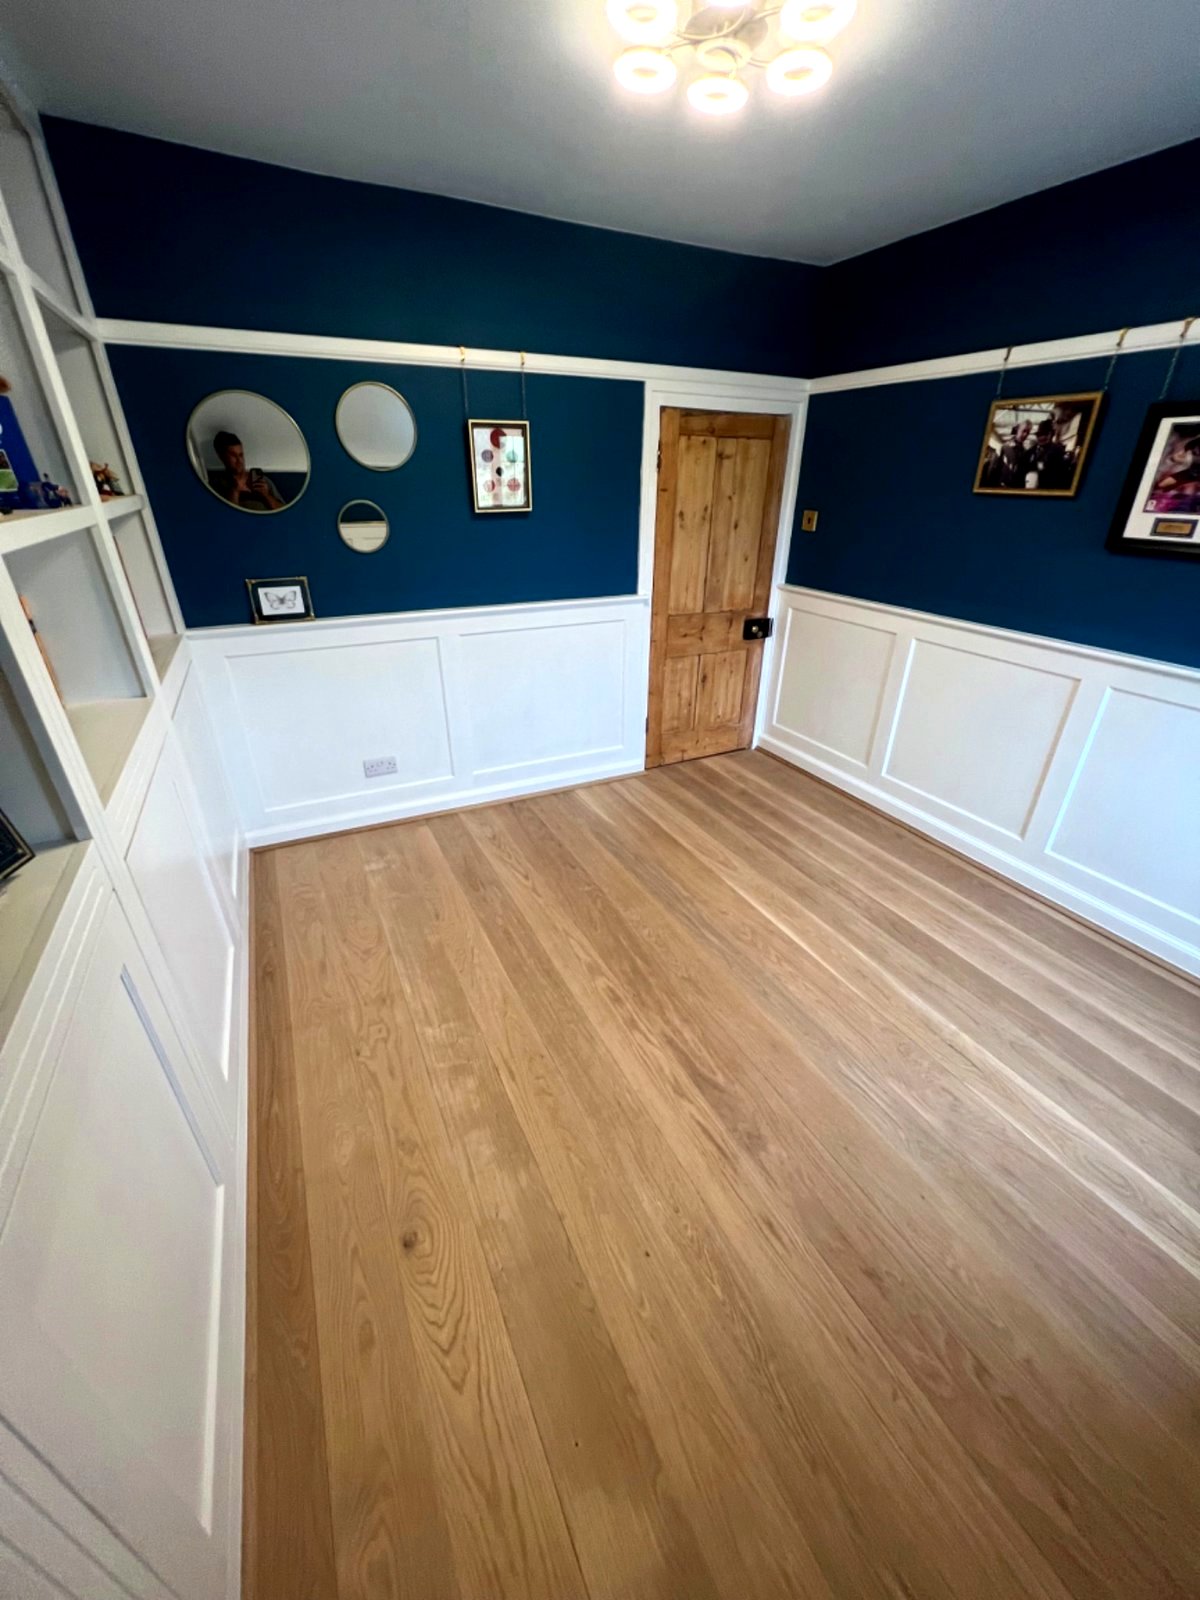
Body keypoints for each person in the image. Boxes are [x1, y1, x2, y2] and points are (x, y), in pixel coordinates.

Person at [210, 430, 284, 511]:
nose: (239, 460)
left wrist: (266, 495)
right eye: (233, 455)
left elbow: (283, 511)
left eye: (241, 455)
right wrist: (235, 491)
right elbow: (227, 517)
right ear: (221, 456)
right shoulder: (217, 484)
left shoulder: (262, 481)